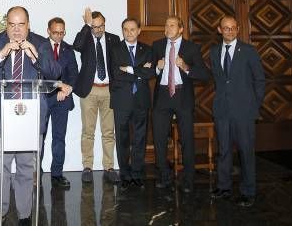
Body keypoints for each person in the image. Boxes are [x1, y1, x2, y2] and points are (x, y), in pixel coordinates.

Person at [0, 6, 60, 226]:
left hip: (29, 117)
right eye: (12, 25)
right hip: (1, 114)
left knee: (25, 167)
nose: (16, 30)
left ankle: (24, 214)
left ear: (28, 25)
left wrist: (35, 56)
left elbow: (54, 72)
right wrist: (2, 53)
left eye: (21, 25)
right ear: (6, 25)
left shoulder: (40, 43)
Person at [209, 16, 265, 207]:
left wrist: (254, 106)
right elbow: (219, 80)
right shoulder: (214, 52)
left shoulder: (249, 51)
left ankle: (248, 191)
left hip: (244, 111)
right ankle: (223, 186)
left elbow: (259, 80)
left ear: (238, 29)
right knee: (223, 151)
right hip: (222, 110)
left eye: (233, 28)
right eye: (226, 28)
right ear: (219, 30)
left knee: (246, 152)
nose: (230, 31)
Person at [151, 16, 210, 193]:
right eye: (166, 25)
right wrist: (157, 68)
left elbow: (205, 74)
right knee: (159, 138)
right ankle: (164, 176)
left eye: (172, 25)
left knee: (186, 139)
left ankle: (188, 180)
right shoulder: (157, 45)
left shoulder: (191, 48)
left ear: (181, 29)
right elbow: (150, 70)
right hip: (162, 95)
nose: (167, 28)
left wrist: (185, 67)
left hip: (182, 95)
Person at [72, 8, 120, 184]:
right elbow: (76, 46)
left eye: (101, 26)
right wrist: (86, 26)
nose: (98, 30)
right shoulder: (85, 38)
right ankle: (87, 167)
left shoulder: (113, 39)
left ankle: (109, 167)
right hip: (89, 90)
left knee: (108, 132)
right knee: (88, 131)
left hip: (109, 90)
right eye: (95, 27)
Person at [110, 17, 155, 190]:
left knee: (140, 138)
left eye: (132, 29)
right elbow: (116, 74)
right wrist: (139, 71)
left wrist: (129, 69)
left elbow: (150, 72)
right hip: (121, 100)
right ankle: (125, 174)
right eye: (125, 29)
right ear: (122, 31)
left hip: (141, 100)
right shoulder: (115, 49)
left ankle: (137, 173)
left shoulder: (147, 49)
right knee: (122, 139)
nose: (129, 33)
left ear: (139, 30)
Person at [41, 17, 77, 189]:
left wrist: (66, 90)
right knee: (39, 137)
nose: (59, 36)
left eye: (62, 32)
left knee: (59, 137)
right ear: (48, 31)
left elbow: (73, 75)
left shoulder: (68, 50)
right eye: (55, 32)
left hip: (62, 100)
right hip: (44, 98)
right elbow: (39, 74)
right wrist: (56, 88)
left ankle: (57, 174)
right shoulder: (40, 48)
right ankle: (35, 173)